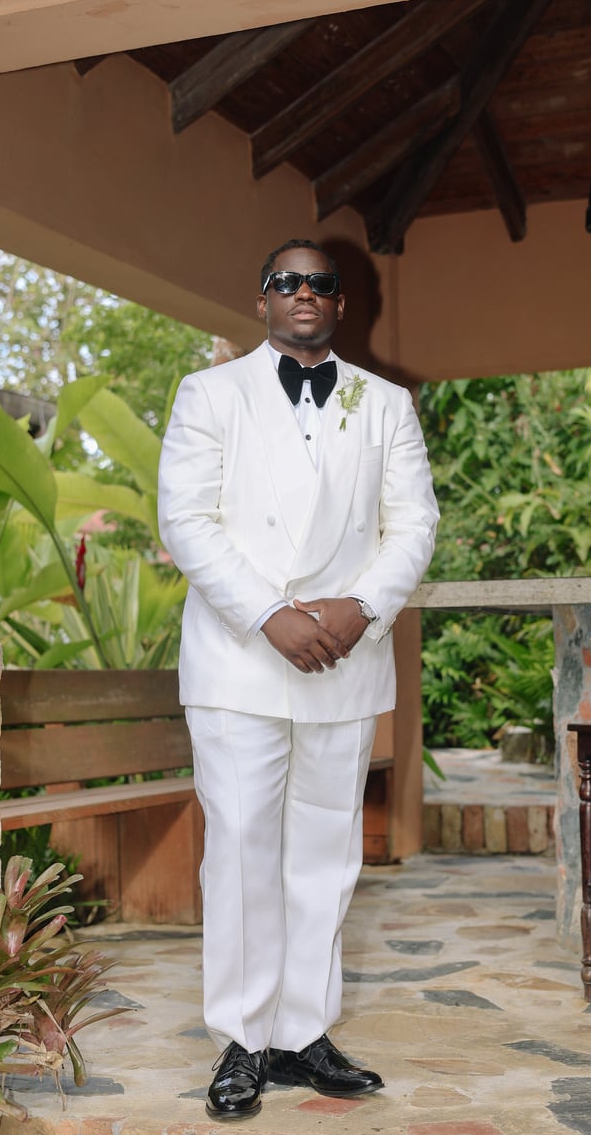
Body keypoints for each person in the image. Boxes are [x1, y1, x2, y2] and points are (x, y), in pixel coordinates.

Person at [157, 238, 439, 1120]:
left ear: (341, 305)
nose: (305, 293)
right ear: (262, 300)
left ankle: (303, 1032)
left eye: (321, 283)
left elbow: (414, 522)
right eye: (288, 281)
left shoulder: (385, 403)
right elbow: (188, 519)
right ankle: (241, 1042)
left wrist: (364, 606)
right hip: (241, 660)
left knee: (324, 856)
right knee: (241, 853)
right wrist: (269, 615)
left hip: (344, 660)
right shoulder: (210, 395)